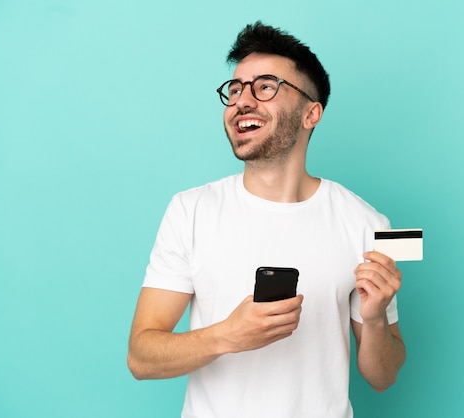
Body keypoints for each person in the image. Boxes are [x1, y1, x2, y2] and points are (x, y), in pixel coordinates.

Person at [127, 21, 406, 418]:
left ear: (312, 113)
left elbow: (384, 377)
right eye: (236, 89)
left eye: (265, 87)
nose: (242, 101)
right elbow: (141, 356)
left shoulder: (368, 223)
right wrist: (227, 335)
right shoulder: (190, 210)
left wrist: (376, 318)